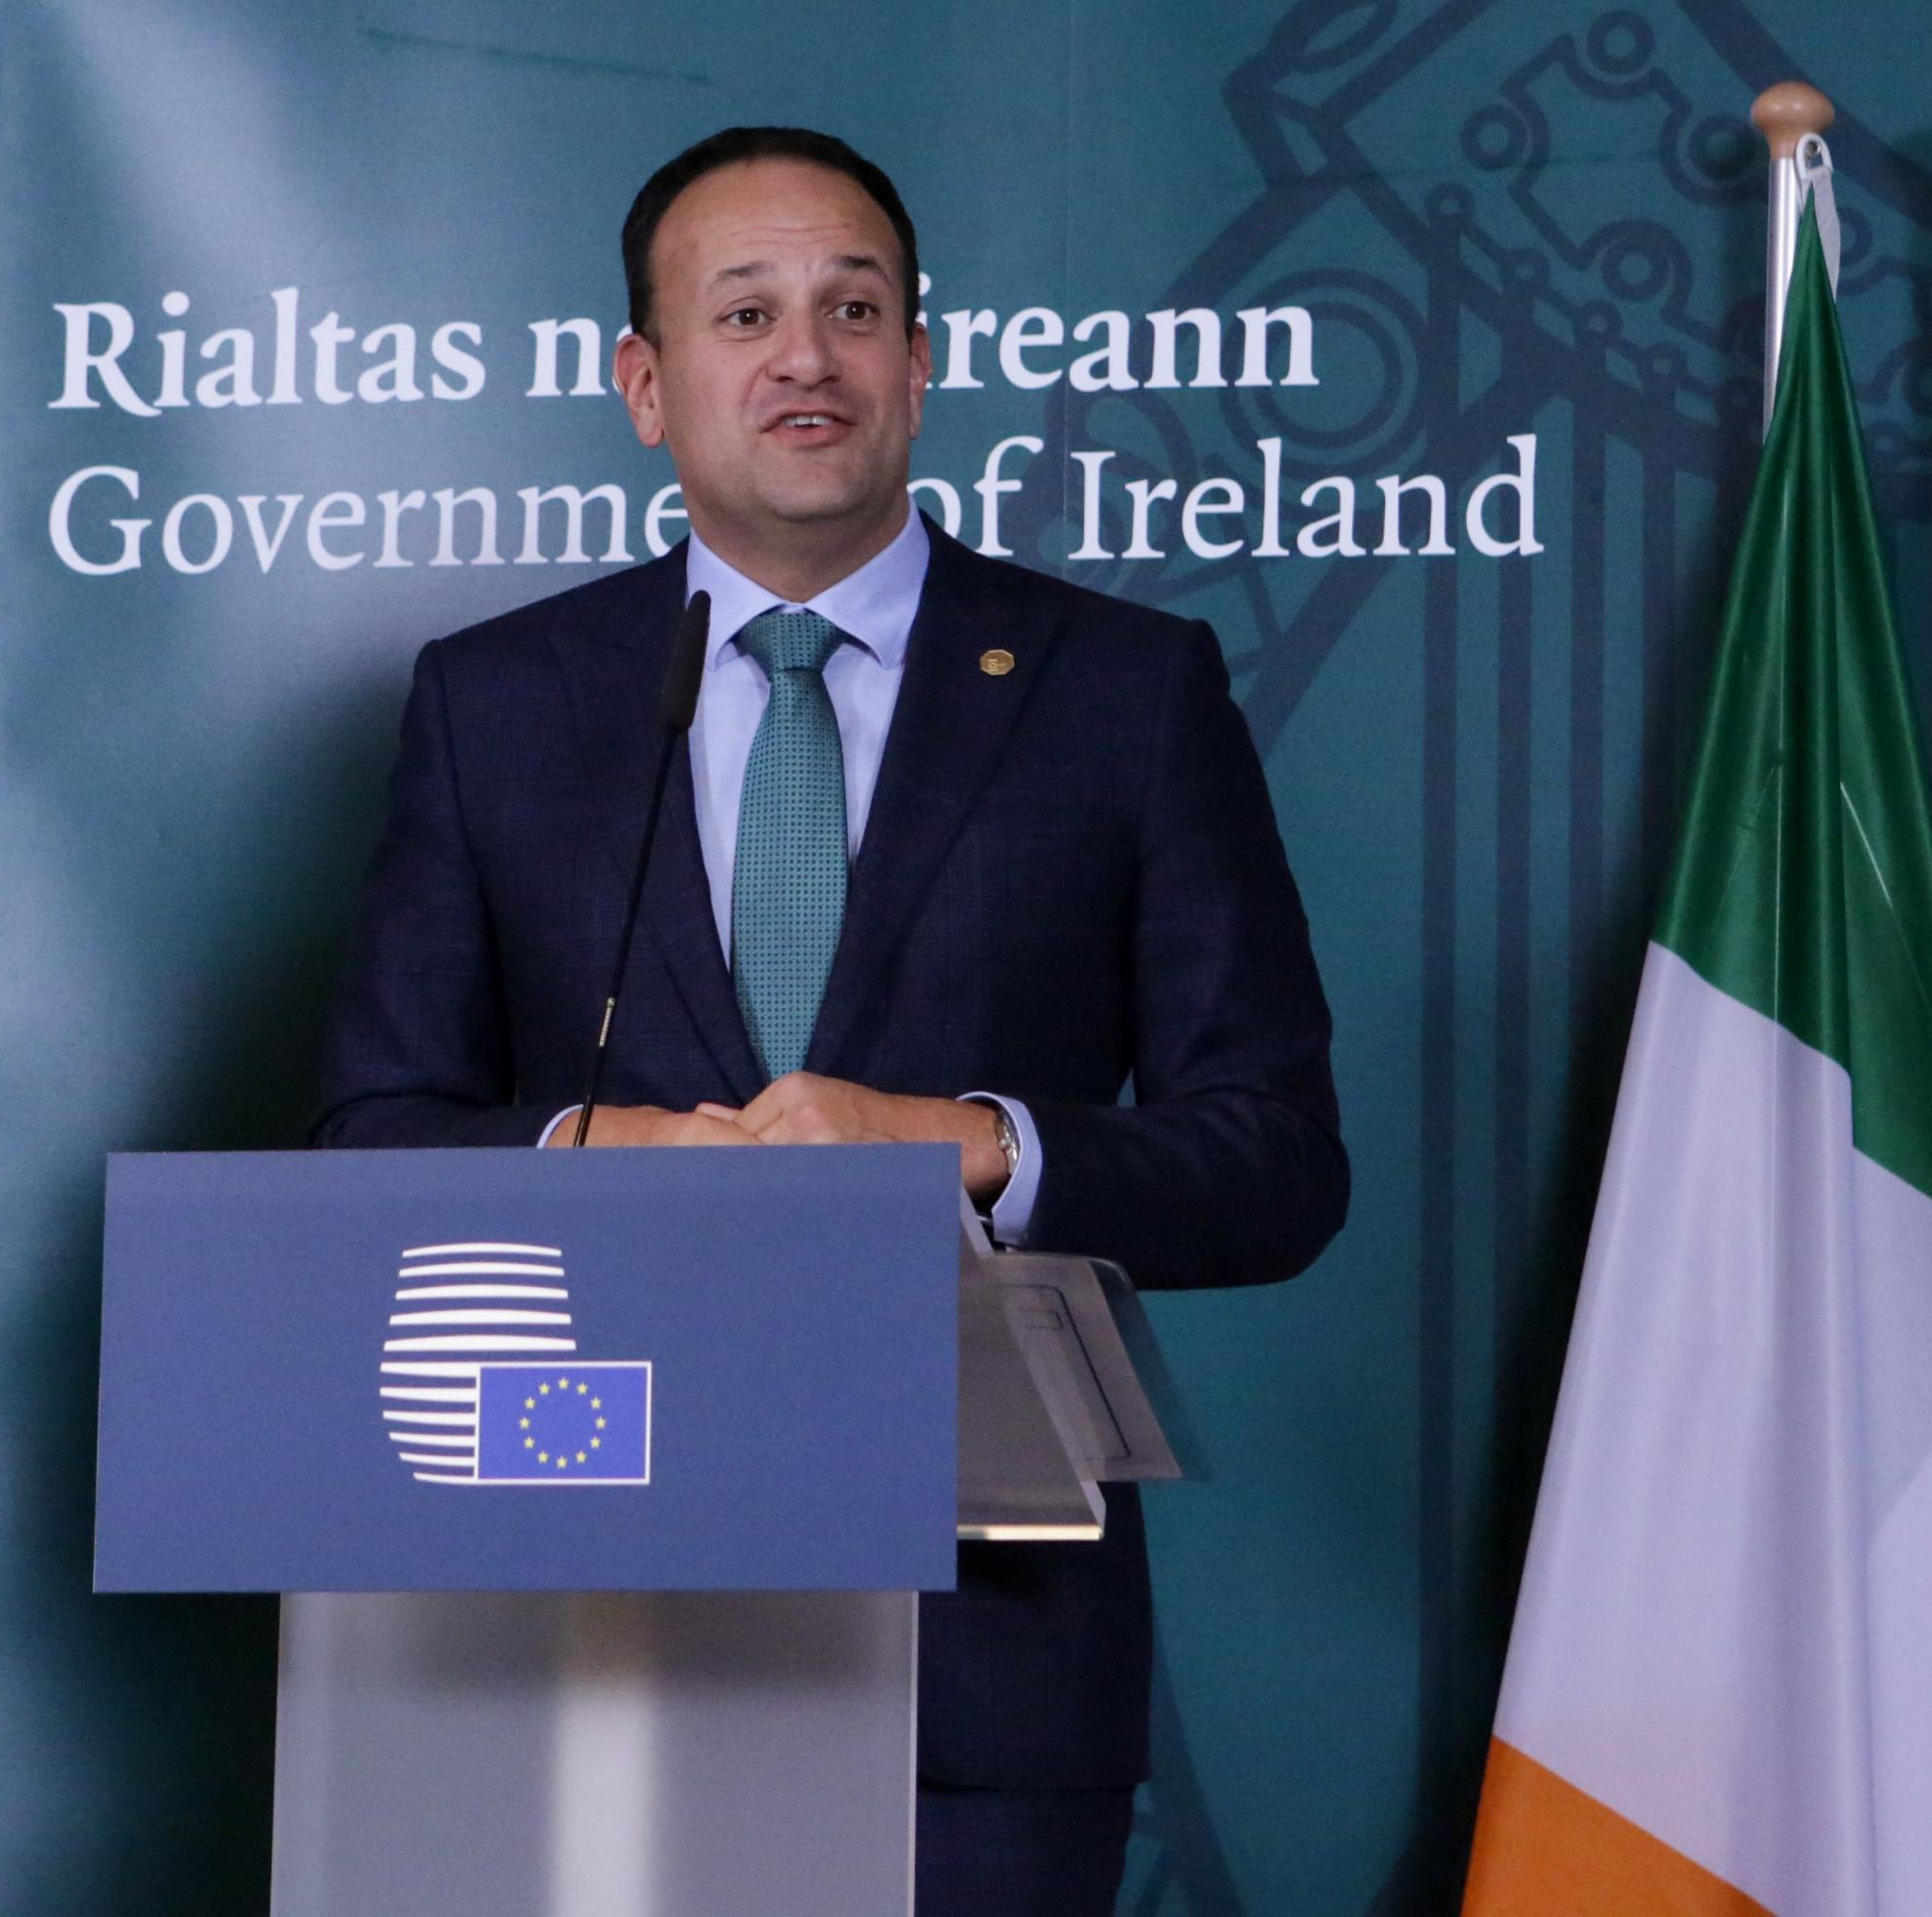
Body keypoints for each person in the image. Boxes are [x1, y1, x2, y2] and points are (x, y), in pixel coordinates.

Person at [311, 124, 1347, 1914]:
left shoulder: (1127, 691)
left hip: (987, 1679)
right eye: (745, 312)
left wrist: (977, 1145)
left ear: (919, 367)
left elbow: (1275, 1163)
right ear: (647, 385)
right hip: (572, 1629)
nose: (806, 353)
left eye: (854, 307)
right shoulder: (495, 704)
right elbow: (362, 1144)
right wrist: (578, 1152)